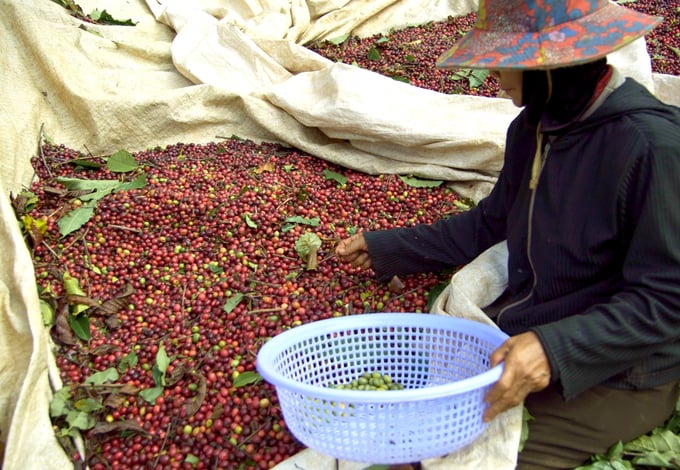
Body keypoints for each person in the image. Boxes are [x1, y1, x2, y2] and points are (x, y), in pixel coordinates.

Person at [334, 0, 680, 468]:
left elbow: (665, 301)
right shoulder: (533, 129)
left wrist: (553, 349)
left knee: (461, 458)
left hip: (622, 370)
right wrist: (390, 248)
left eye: (504, 56)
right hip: (535, 317)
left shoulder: (650, 147)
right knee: (405, 425)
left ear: (550, 65)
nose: (492, 71)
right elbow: (491, 223)